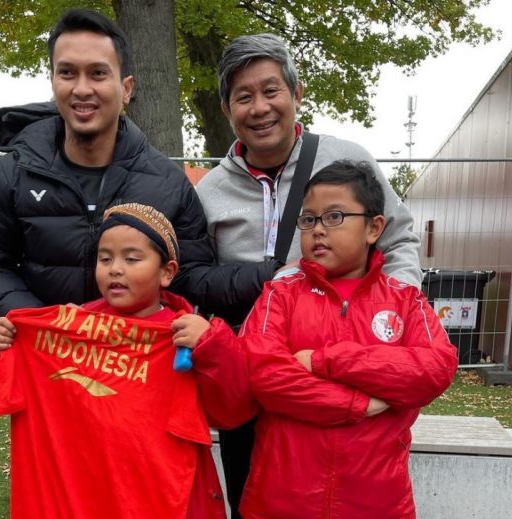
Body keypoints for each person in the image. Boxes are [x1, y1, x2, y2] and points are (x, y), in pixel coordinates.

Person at [193, 33, 423, 516]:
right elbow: (198, 278)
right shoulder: (211, 190)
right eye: (243, 96)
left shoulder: (347, 160)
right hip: (261, 383)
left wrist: (391, 320)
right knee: (256, 494)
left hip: (350, 366)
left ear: (296, 94)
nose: (260, 107)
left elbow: (399, 239)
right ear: (226, 108)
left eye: (271, 90)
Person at [176, 161, 458, 518]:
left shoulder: (405, 299)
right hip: (281, 501)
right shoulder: (280, 294)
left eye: (334, 216)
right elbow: (264, 374)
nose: (318, 230)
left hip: (378, 503)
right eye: (308, 220)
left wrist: (327, 361)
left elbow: (434, 369)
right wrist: (359, 404)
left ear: (374, 227)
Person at [0, 8, 214, 319]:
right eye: (67, 72)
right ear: (54, 81)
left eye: (98, 73)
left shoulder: (170, 183)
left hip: (137, 362)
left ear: (126, 89)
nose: (82, 89)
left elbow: (189, 276)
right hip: (46, 355)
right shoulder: (9, 176)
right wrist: (45, 324)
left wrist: (269, 274)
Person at [0, 203, 226, 519]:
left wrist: (212, 346)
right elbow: (39, 378)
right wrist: (3, 345)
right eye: (105, 258)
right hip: (87, 489)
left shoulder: (187, 334)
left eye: (131, 258)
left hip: (162, 491)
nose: (115, 268)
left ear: (166, 272)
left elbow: (230, 408)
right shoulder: (73, 325)